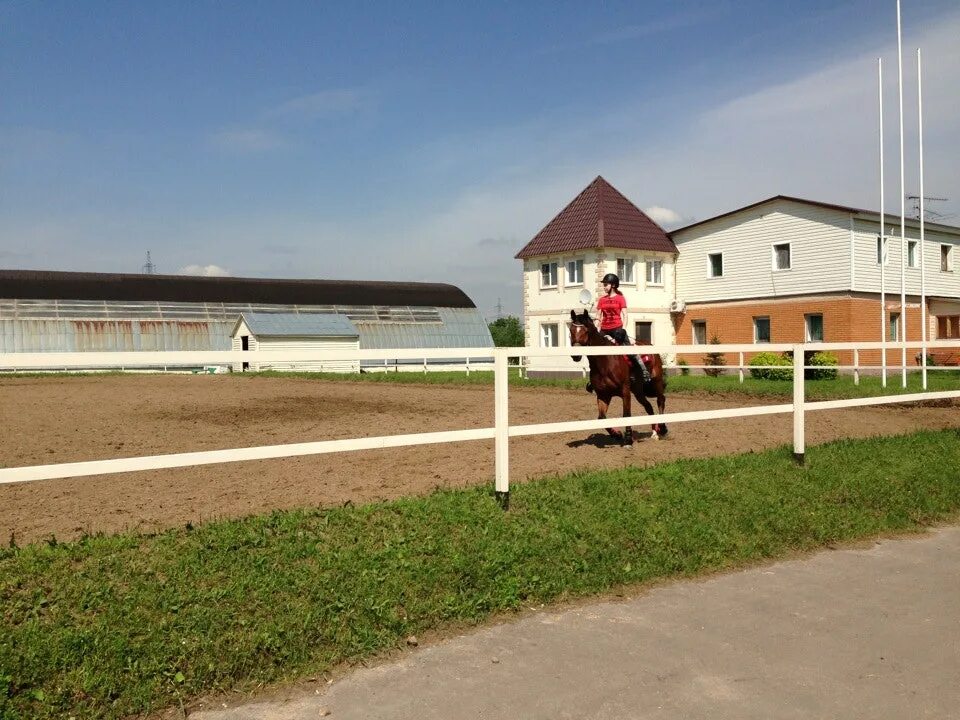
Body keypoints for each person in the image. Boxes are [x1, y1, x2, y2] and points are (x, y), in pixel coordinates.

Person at [596, 273, 651, 382]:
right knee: (596, 353)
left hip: (617, 329)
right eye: (604, 285)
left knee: (629, 350)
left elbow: (625, 315)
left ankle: (643, 370)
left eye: (606, 285)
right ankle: (595, 378)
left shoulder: (620, 298)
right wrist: (597, 329)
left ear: (613, 285)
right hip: (604, 329)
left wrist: (623, 329)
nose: (604, 287)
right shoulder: (601, 300)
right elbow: (598, 316)